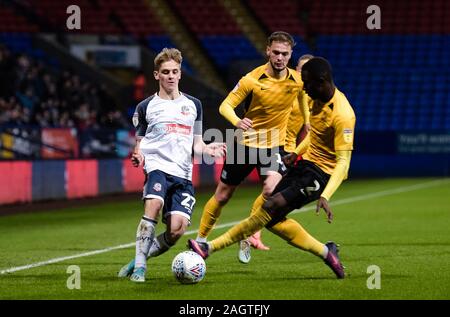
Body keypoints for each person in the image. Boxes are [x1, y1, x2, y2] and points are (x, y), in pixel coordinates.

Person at [188, 57, 356, 279]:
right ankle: (327, 252)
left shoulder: (343, 114)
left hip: (322, 173)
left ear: (321, 81)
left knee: (270, 205)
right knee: (269, 216)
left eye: (307, 83)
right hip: (301, 162)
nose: (303, 88)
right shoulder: (314, 98)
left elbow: (343, 163)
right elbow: (314, 134)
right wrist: (295, 154)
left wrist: (325, 195)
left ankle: (209, 248)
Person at [195, 31, 310, 264]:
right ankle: (200, 240)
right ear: (268, 51)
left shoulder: (297, 81)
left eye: (284, 54)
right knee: (223, 195)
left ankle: (246, 235)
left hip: (273, 147)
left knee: (271, 191)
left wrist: (307, 123)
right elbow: (225, 106)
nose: (279, 58)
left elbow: (302, 103)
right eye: (275, 52)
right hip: (243, 145)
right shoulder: (252, 79)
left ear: (290, 55)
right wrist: (237, 121)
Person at [117, 48, 225, 282]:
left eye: (175, 71)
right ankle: (140, 268)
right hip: (157, 168)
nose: (171, 76)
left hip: (183, 175)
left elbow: (197, 145)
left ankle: (137, 258)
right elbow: (140, 145)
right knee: (153, 205)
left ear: (180, 74)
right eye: (165, 72)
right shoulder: (145, 107)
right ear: (157, 75)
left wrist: (208, 149)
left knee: (176, 231)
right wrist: (138, 157)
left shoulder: (194, 105)